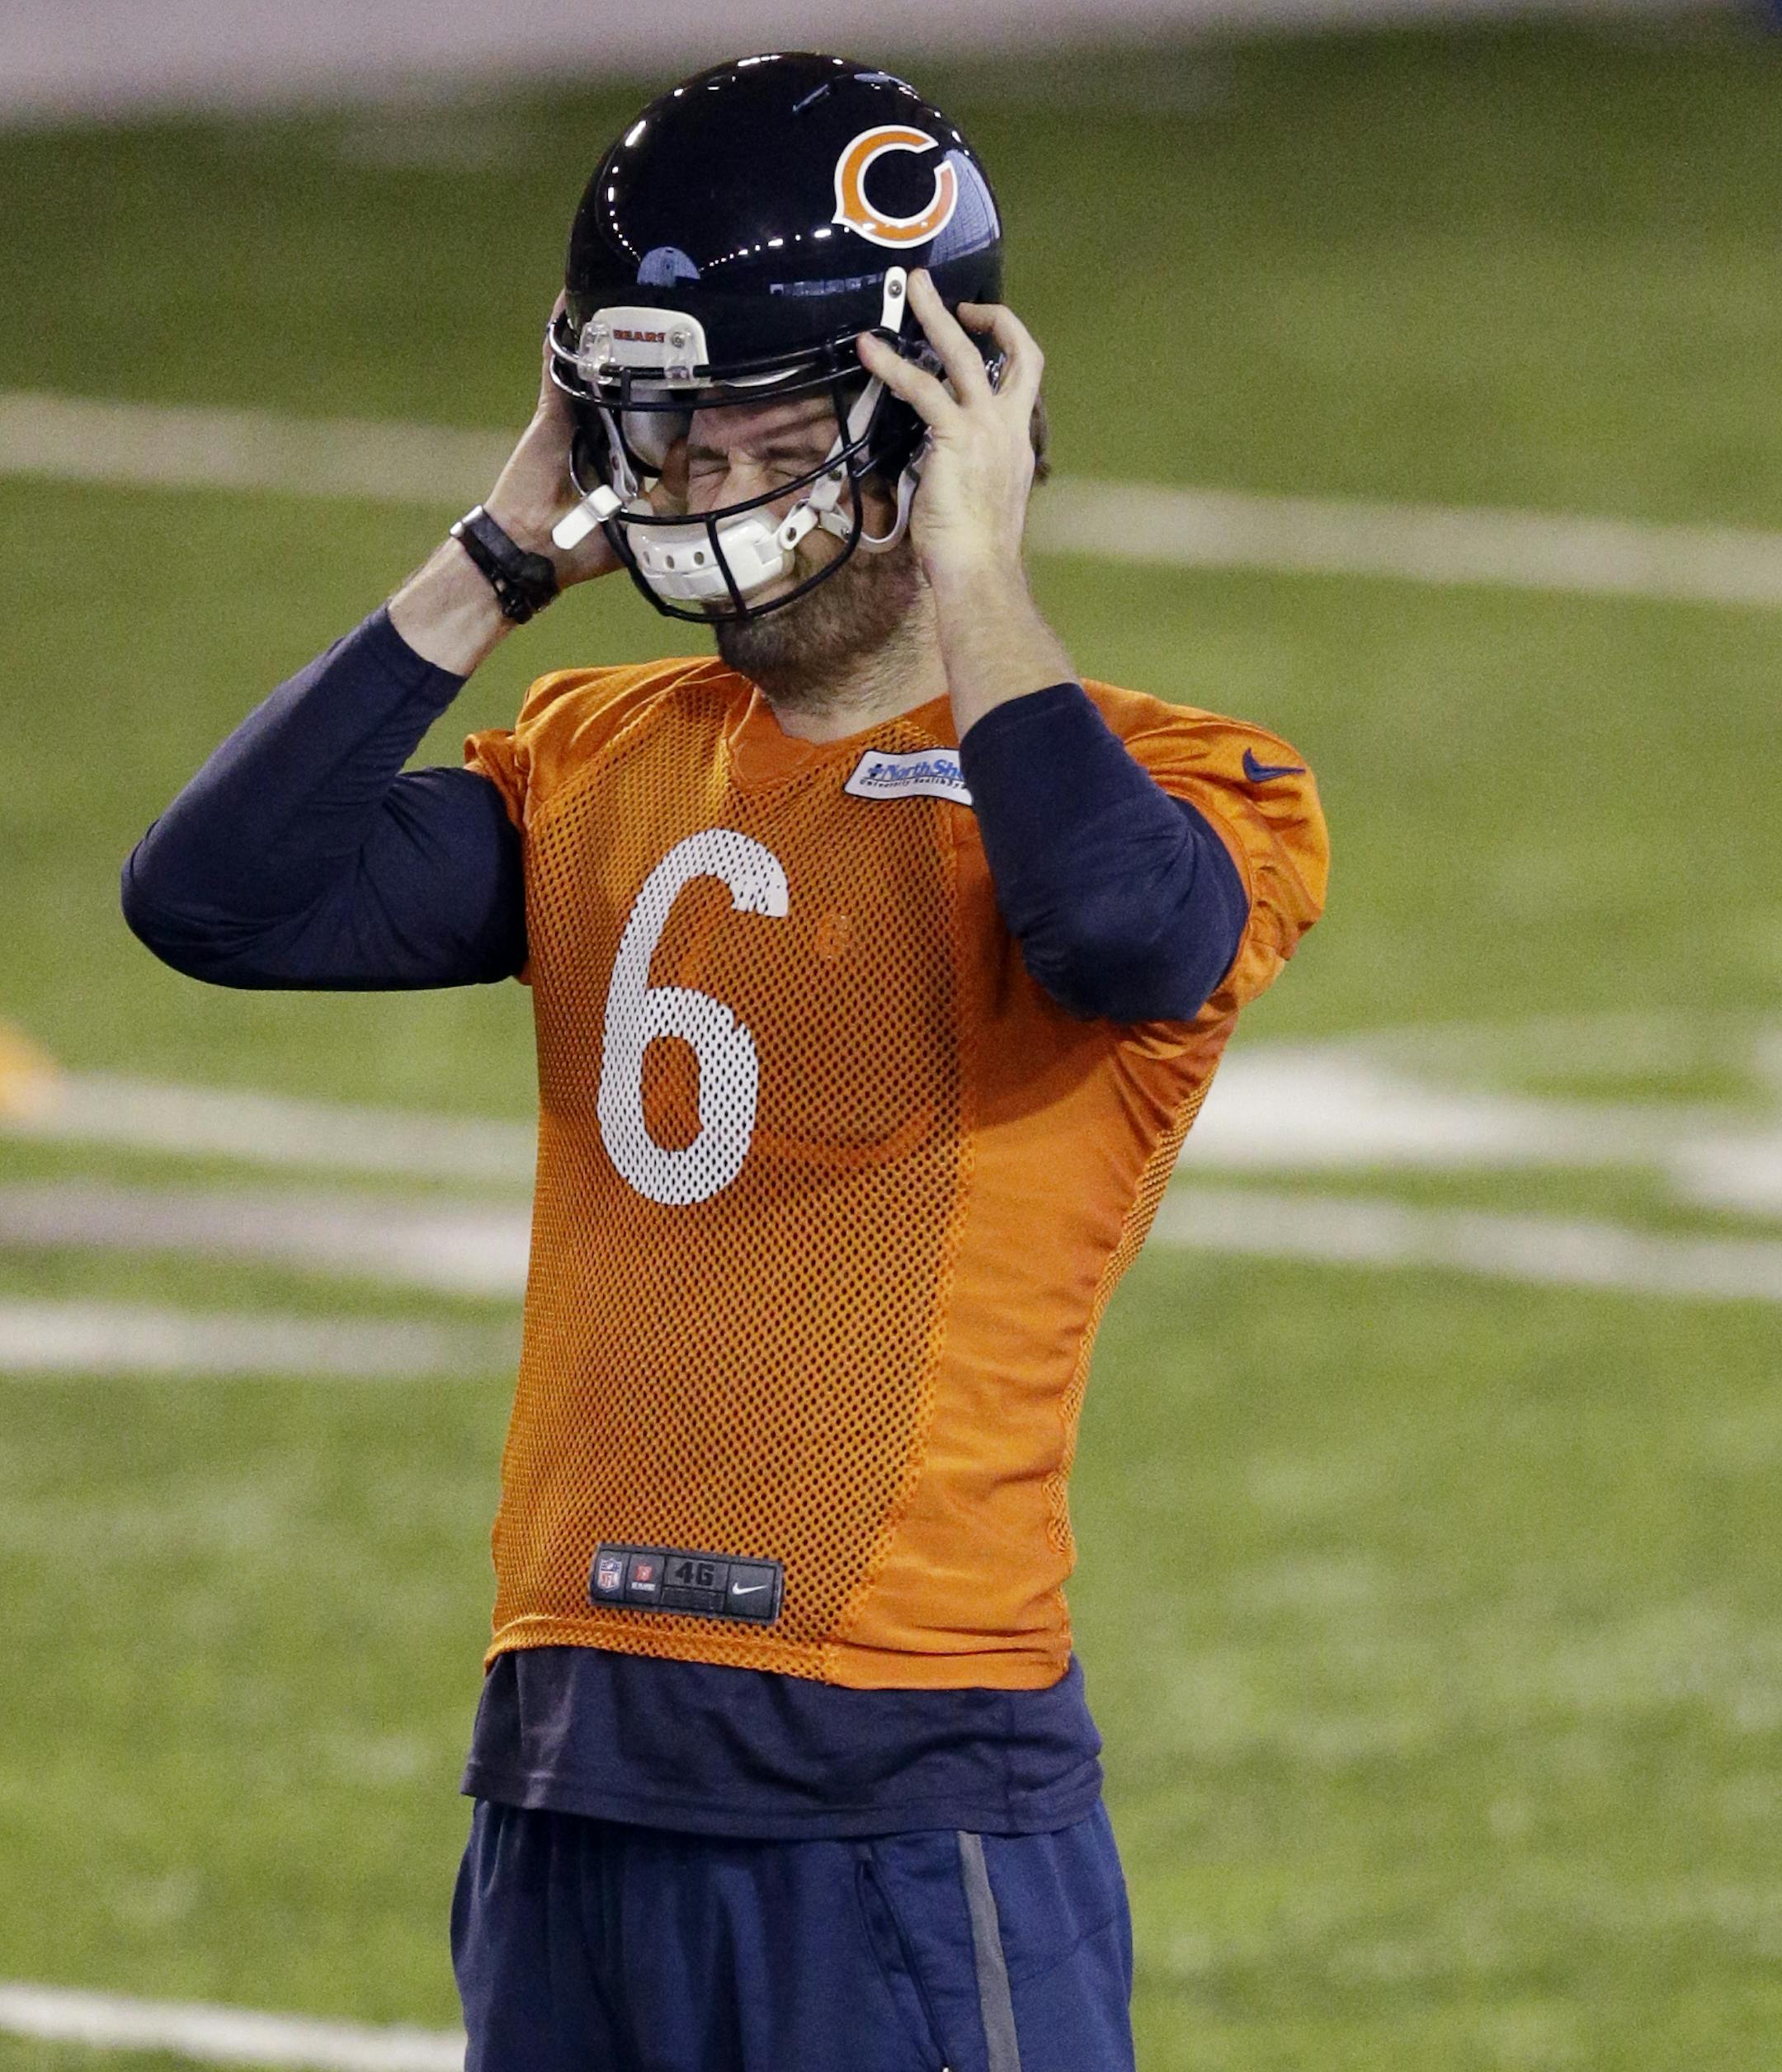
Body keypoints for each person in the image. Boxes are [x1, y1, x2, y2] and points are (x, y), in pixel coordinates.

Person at [122, 52, 1327, 2072]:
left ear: (921, 411)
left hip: (895, 1774)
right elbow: (217, 900)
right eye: (651, 436)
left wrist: (977, 572)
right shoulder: (600, 751)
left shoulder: (1192, 781)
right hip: (570, 1767)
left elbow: (1124, 933)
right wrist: (498, 552)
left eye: (735, 431)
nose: (683, 486)